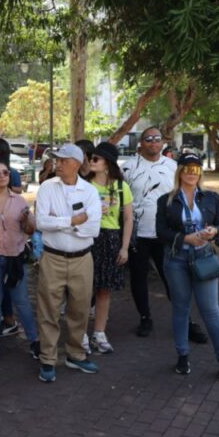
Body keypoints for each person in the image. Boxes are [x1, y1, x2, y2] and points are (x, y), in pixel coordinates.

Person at [155, 153, 219, 380]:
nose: (192, 172)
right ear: (179, 171)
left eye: (196, 168)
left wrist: (214, 231)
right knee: (181, 308)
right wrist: (184, 238)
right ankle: (182, 357)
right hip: (177, 260)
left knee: (211, 311)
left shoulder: (210, 197)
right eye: (187, 168)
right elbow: (161, 232)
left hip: (204, 258)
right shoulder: (165, 200)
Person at [125, 127, 207, 340]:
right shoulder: (128, 168)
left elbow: (186, 194)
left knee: (174, 280)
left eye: (157, 139)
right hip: (137, 234)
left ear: (162, 142)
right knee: (138, 278)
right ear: (141, 142)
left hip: (168, 234)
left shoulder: (173, 167)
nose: (153, 142)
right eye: (148, 139)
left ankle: (187, 321)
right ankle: (145, 318)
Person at [34, 144, 102, 383]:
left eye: (63, 160)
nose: (58, 164)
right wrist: (74, 220)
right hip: (52, 257)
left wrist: (61, 222)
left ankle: (75, 354)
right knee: (48, 310)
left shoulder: (90, 191)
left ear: (76, 163)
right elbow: (41, 222)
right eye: (57, 160)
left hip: (83, 259)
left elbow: (93, 228)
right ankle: (48, 358)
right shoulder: (46, 188)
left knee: (80, 310)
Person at [0, 161, 41, 361]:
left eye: (6, 172)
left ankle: (34, 340)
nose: (2, 176)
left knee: (22, 302)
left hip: (15, 258)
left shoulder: (20, 201)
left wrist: (27, 222)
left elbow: (31, 230)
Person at [84, 142, 134, 354]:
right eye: (90, 158)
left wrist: (124, 247)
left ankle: (99, 333)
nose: (91, 162)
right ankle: (81, 334)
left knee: (104, 290)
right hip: (88, 239)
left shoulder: (121, 187)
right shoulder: (84, 186)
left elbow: (128, 218)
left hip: (111, 239)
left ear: (107, 164)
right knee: (83, 290)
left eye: (95, 159)